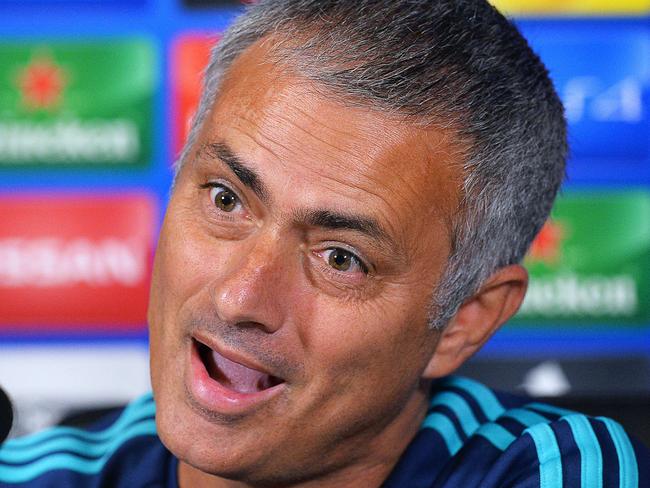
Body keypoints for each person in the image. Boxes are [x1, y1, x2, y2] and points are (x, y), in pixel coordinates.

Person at [1, 0, 649, 486]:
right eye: (226, 199)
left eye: (341, 258)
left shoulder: (546, 466)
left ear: (462, 320)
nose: (239, 297)